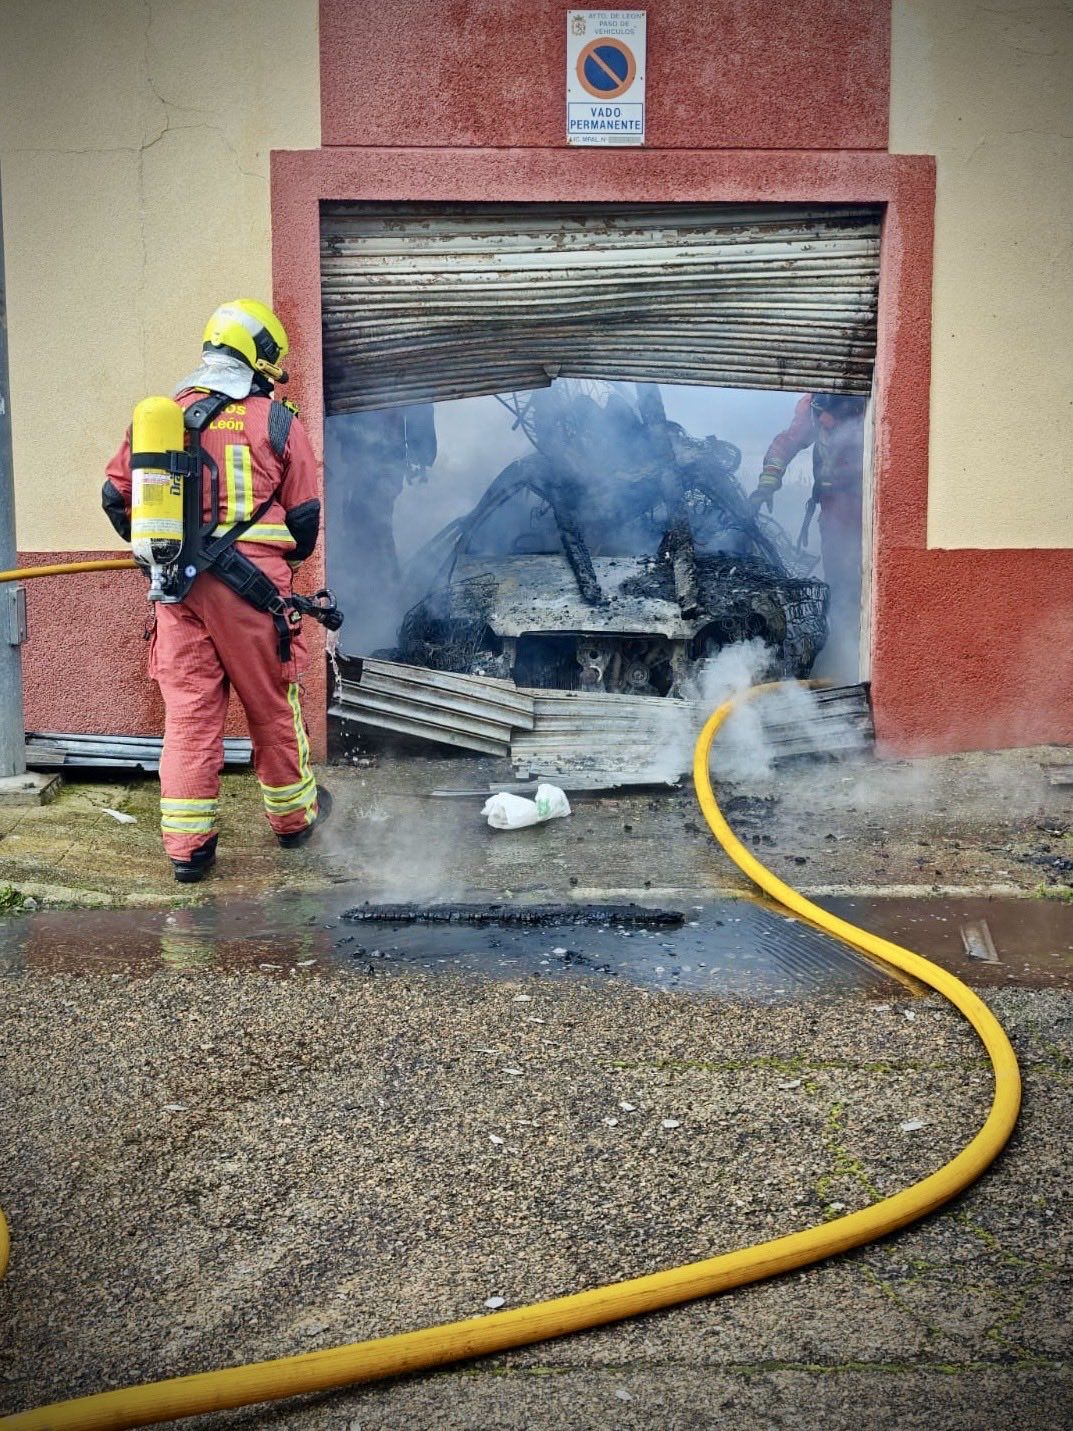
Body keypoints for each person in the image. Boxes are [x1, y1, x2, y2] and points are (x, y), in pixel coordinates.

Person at [102, 299, 330, 882]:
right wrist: (283, 566)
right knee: (272, 707)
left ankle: (187, 851)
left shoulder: (163, 414)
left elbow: (114, 495)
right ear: (257, 359)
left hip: (177, 590)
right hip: (255, 593)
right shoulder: (276, 420)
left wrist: (160, 556)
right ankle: (294, 821)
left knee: (189, 718)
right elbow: (304, 516)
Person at [749, 393, 867, 674]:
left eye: (832, 417)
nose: (824, 422)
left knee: (869, 581)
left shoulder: (870, 405)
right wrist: (768, 482)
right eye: (820, 414)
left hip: (869, 505)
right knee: (840, 582)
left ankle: (865, 647)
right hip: (833, 507)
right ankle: (841, 649)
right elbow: (787, 442)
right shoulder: (811, 406)